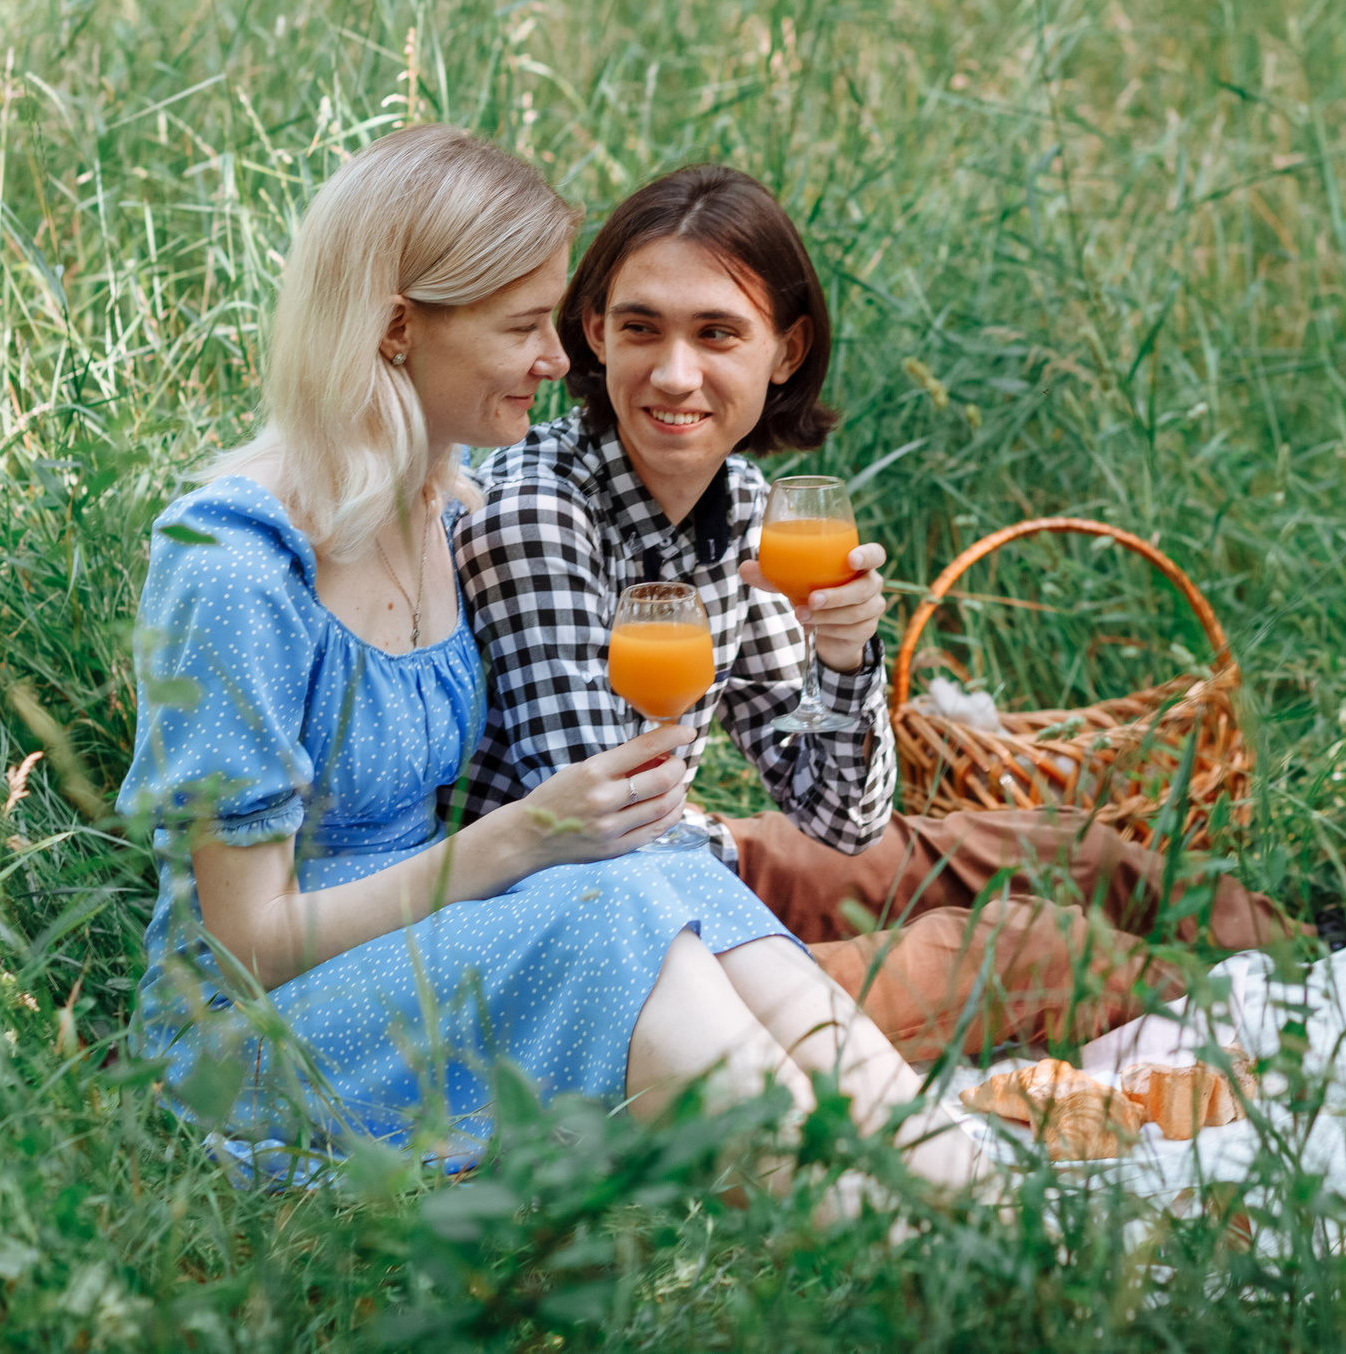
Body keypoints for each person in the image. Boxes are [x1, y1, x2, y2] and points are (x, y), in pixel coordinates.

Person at [115, 125, 985, 1194]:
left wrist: (836, 652)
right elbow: (247, 943)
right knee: (624, 898)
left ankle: (970, 1196)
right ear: (397, 327)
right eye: (525, 325)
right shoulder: (236, 562)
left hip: (422, 951)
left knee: (662, 879)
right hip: (257, 1030)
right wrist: (521, 837)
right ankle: (891, 1229)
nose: (561, 361)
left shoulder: (440, 510)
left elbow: (830, 815)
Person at [454, 164, 1300, 1064]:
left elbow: (841, 818)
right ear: (595, 332)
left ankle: (1310, 953)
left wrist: (844, 654)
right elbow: (603, 840)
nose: (674, 372)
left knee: (1062, 850)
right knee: (1024, 951)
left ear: (785, 351)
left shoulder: (743, 507)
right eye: (641, 328)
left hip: (679, 860)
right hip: (583, 950)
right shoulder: (538, 514)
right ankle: (1271, 1018)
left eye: (717, 333)